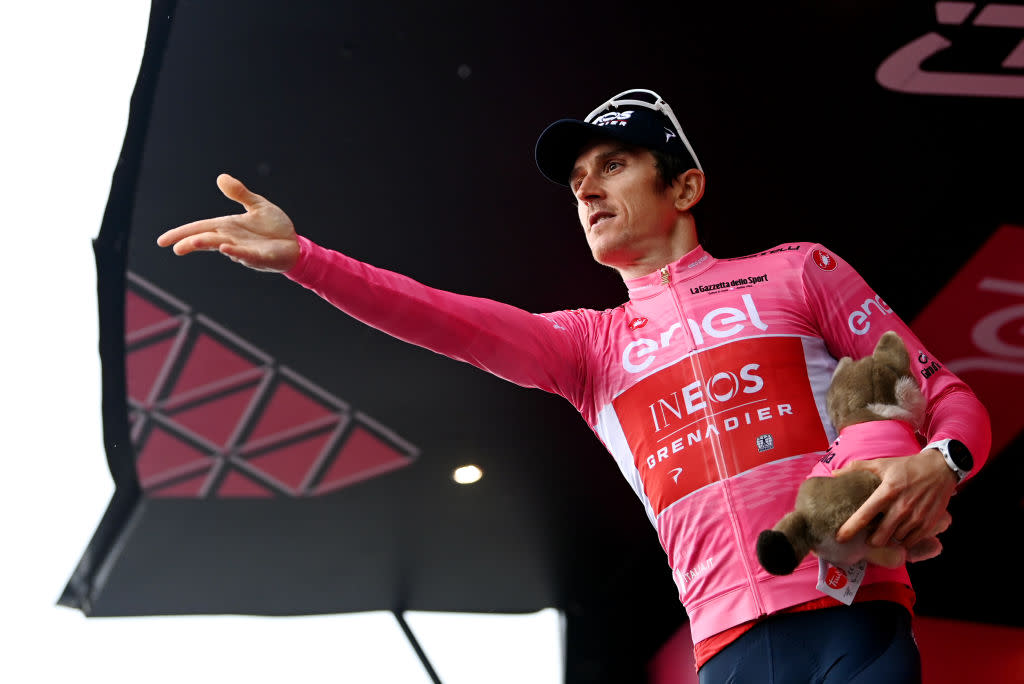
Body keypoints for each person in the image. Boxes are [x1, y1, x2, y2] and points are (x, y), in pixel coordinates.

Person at [158, 88, 991, 682]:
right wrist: (307, 261)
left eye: (615, 164)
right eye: (577, 180)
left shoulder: (797, 273)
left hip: (856, 619)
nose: (586, 188)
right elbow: (444, 318)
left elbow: (943, 393)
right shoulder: (590, 346)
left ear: (686, 186)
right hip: (727, 650)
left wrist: (940, 461)